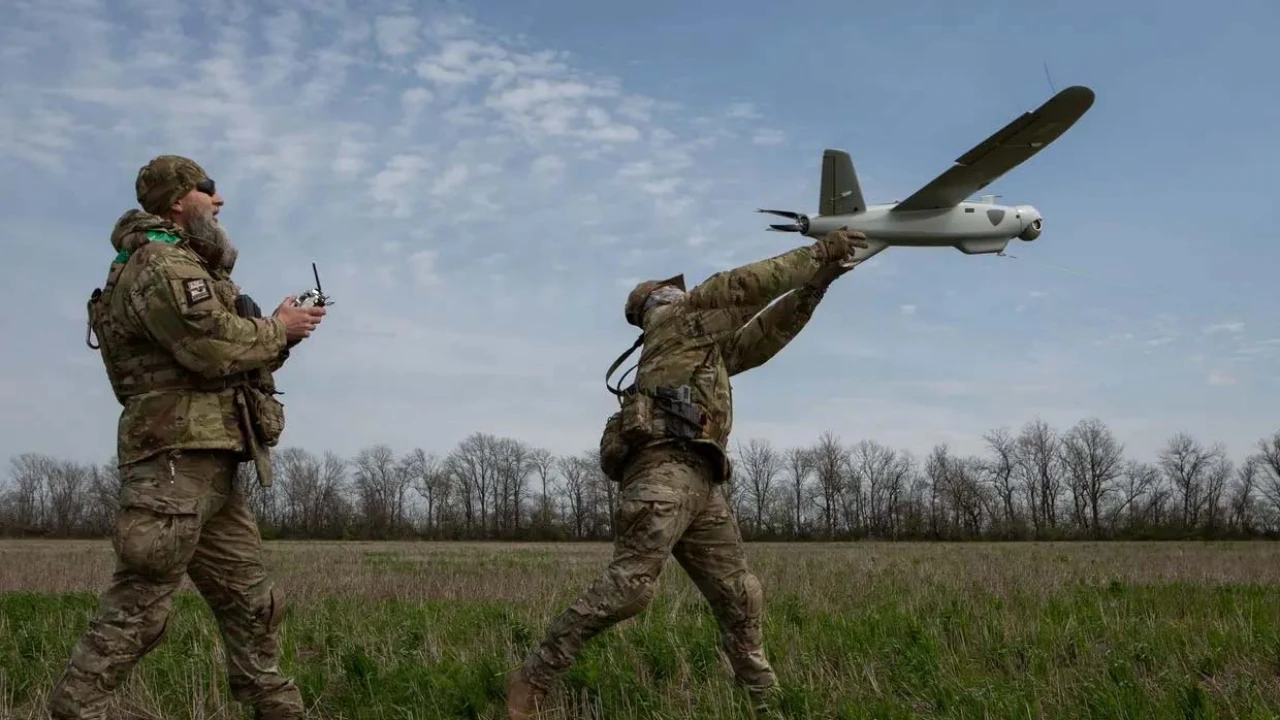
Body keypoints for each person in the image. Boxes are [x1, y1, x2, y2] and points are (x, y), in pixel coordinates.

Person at [504, 228, 869, 719]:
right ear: (658, 302)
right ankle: (532, 678)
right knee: (630, 588)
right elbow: (742, 286)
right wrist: (821, 250)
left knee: (739, 595)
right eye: (673, 288)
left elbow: (765, 334)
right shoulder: (679, 321)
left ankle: (767, 704)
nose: (683, 290)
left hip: (702, 480)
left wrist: (816, 285)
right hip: (662, 471)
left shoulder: (701, 346)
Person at [49, 155, 327, 720]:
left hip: (212, 461)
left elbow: (225, 355)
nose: (219, 200)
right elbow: (211, 349)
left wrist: (278, 330)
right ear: (179, 199)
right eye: (209, 189)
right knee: (141, 607)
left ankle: (279, 709)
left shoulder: (187, 265)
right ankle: (76, 709)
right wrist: (280, 329)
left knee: (252, 604)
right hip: (173, 463)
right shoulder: (160, 263)